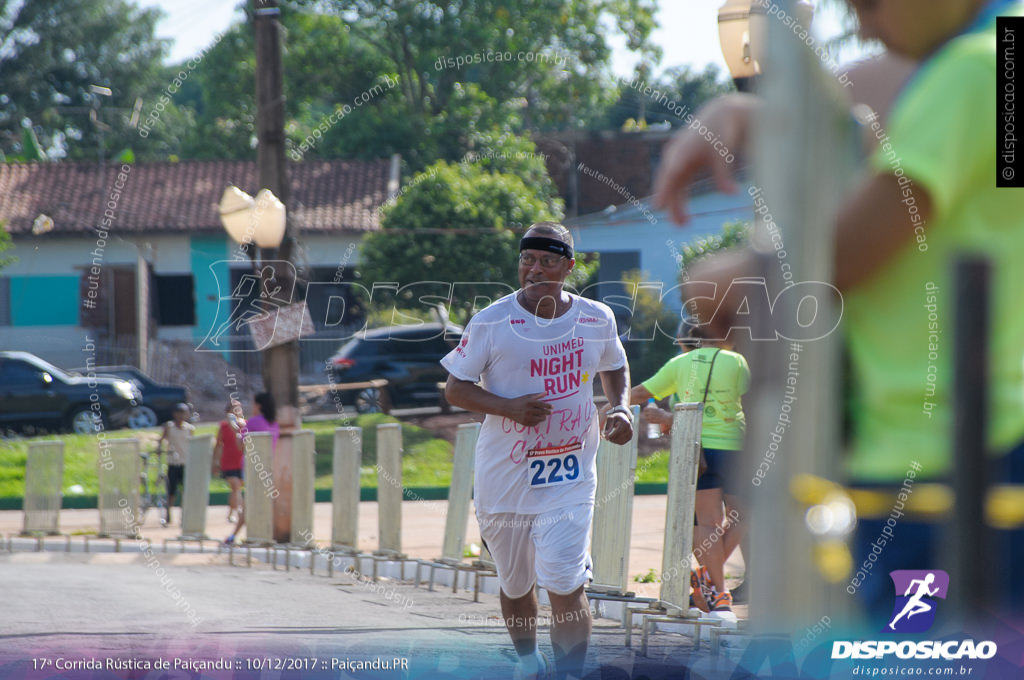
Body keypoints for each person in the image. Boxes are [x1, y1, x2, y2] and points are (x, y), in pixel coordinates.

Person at [653, 0, 1024, 617]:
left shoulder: (975, 71)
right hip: (981, 437)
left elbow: (843, 253)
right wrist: (757, 113)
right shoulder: (1000, 59)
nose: (863, 25)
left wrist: (725, 279)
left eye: (868, 3)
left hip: (936, 451)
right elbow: (904, 131)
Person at [443, 222, 633, 680]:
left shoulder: (596, 318)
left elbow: (616, 363)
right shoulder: (491, 321)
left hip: (569, 474)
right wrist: (507, 406)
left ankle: (570, 674)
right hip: (504, 474)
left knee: (566, 582)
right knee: (515, 581)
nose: (535, 269)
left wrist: (621, 407)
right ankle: (529, 660)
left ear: (568, 266)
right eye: (528, 259)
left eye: (548, 261)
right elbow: (456, 389)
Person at [630, 319, 750, 618]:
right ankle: (711, 582)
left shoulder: (680, 363)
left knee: (707, 523)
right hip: (736, 447)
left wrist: (610, 406)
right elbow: (753, 403)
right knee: (744, 516)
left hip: (697, 451)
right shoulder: (736, 361)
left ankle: (717, 593)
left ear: (686, 340)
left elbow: (636, 395)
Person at [225, 392, 279, 545]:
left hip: (252, 466)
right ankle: (260, 533)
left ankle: (234, 535)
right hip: (268, 465)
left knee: (250, 502)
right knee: (262, 501)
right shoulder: (274, 423)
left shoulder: (253, 422)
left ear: (259, 405)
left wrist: (237, 433)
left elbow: (241, 446)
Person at [157, 403, 194, 527]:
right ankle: (168, 512)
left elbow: (192, 444)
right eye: (179, 413)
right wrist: (159, 449)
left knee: (186, 490)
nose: (181, 416)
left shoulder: (190, 429)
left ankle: (185, 516)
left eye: (184, 413)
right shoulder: (169, 427)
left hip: (185, 462)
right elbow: (161, 440)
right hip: (173, 462)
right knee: (171, 490)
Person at [212, 400, 246, 523]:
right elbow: (219, 445)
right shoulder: (224, 426)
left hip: (241, 462)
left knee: (237, 488)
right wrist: (215, 462)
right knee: (236, 485)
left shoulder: (244, 425)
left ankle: (232, 512)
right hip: (228, 462)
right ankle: (239, 512)